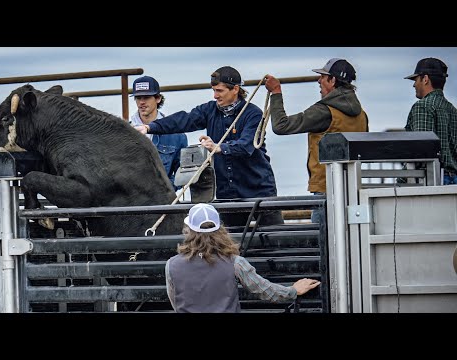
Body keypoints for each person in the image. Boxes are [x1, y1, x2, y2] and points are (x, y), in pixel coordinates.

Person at [136, 66, 283, 227]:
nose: (215, 95)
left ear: (235, 89)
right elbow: (184, 119)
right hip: (227, 193)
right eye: (213, 90)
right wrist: (151, 127)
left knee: (273, 238)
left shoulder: (253, 114)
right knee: (231, 243)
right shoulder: (210, 110)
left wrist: (219, 148)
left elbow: (247, 146)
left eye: (219, 91)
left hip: (258, 189)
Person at [165, 203, 321, 312]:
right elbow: (265, 291)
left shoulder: (171, 265)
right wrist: (293, 291)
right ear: (220, 229)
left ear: (188, 230)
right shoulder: (235, 262)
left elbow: (175, 301)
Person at [265, 58, 368, 223]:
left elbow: (281, 126)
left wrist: (276, 92)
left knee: (321, 243)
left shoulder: (323, 111)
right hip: (353, 189)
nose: (318, 80)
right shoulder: (361, 114)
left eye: (323, 76)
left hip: (326, 189)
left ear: (333, 80)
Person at [404, 57, 457, 185]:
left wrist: (402, 178)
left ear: (425, 79)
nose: (414, 84)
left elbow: (421, 150)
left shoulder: (422, 106)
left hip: (432, 179)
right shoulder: (452, 110)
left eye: (416, 79)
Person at [129, 75, 188, 190]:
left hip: (162, 201)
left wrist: (164, 190)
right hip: (131, 200)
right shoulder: (124, 132)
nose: (141, 102)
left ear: (158, 98)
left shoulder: (177, 136)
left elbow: (183, 173)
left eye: (146, 97)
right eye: (138, 97)